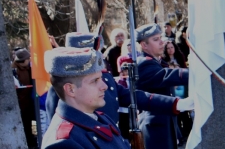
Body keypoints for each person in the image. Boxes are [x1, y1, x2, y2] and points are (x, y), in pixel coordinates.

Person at [46, 32, 193, 126]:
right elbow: (58, 121)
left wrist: (178, 104)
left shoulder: (105, 78)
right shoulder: (61, 86)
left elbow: (135, 97)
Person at [42, 47, 131, 148]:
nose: (104, 86)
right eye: (95, 81)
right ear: (71, 89)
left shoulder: (101, 118)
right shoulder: (64, 142)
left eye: (101, 78)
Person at [135, 23, 189, 149]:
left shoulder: (158, 62)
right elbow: (166, 75)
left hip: (165, 123)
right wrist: (195, 74)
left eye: (160, 38)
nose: (161, 42)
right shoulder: (143, 64)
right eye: (155, 39)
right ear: (144, 45)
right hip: (154, 127)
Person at [12, 48, 37, 148]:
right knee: (26, 126)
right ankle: (29, 144)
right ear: (22, 61)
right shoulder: (13, 71)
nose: (30, 60)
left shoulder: (30, 68)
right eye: (28, 58)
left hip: (32, 102)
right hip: (21, 105)